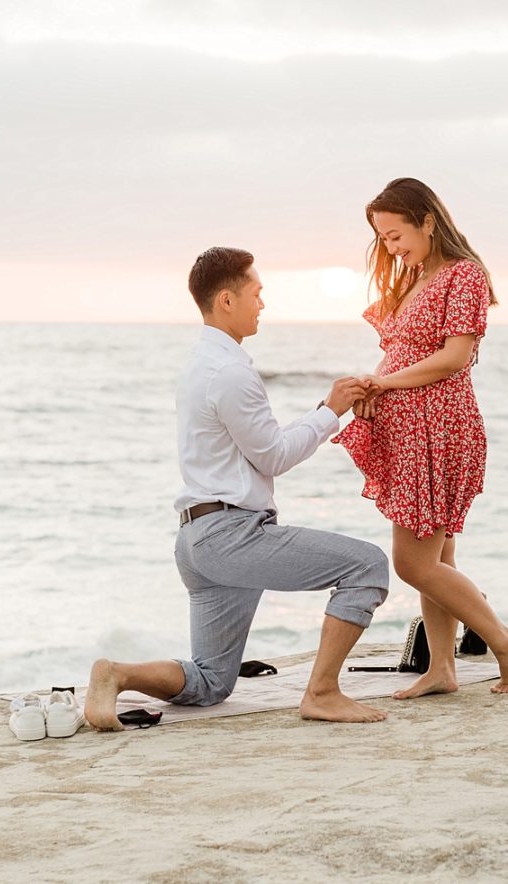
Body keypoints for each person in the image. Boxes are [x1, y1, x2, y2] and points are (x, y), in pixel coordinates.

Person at [83, 247, 391, 730]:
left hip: (198, 539)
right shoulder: (230, 372)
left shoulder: (203, 364)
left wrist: (326, 408)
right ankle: (323, 692)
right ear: (226, 300)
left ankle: (117, 673)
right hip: (231, 535)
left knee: (210, 684)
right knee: (368, 565)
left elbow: (258, 449)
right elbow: (274, 456)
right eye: (257, 293)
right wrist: (332, 410)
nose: (263, 304)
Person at [334, 177, 508, 699]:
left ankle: (504, 641)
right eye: (384, 240)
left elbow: (453, 358)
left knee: (412, 563)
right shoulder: (415, 277)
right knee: (438, 561)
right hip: (411, 426)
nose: (392, 248)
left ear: (427, 220)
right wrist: (374, 387)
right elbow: (401, 351)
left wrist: (386, 381)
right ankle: (442, 667)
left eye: (397, 235)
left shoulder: (463, 276)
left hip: (438, 428)